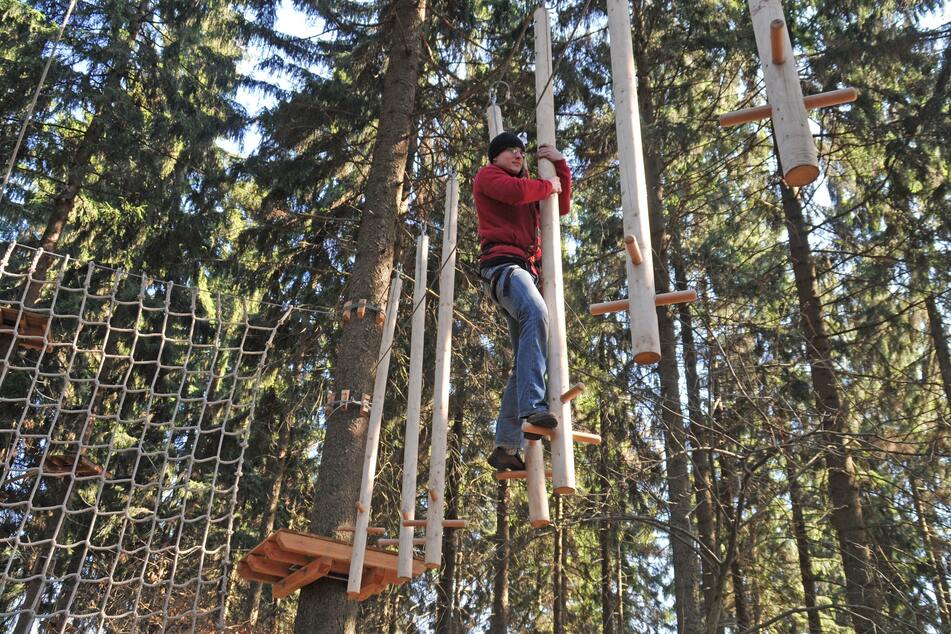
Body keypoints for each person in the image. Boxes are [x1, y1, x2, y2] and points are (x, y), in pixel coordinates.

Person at [474, 131, 571, 471]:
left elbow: (559, 206)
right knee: (535, 311)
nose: (518, 155)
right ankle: (532, 405)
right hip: (503, 268)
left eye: (521, 151)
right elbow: (514, 193)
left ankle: (505, 446)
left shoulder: (531, 186)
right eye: (510, 151)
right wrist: (548, 185)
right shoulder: (488, 176)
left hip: (524, 272)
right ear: (496, 157)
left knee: (526, 355)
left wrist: (559, 166)